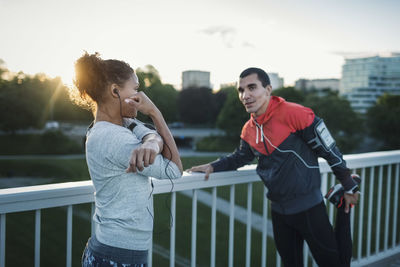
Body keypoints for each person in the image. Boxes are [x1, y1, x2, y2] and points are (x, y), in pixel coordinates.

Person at [188, 67, 359, 267]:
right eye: (241, 90)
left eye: (252, 87)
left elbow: (331, 151)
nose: (245, 95)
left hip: (310, 209)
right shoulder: (248, 129)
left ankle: (342, 207)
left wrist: (348, 186)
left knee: (334, 264)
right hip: (279, 212)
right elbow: (239, 157)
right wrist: (212, 166)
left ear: (268, 89)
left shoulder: (297, 114)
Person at [71, 52, 183, 267]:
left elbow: (146, 132)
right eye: (135, 88)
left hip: (111, 250)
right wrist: (155, 113)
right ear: (115, 91)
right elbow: (174, 170)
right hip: (119, 255)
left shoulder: (120, 125)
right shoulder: (115, 138)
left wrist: (152, 141)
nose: (141, 96)